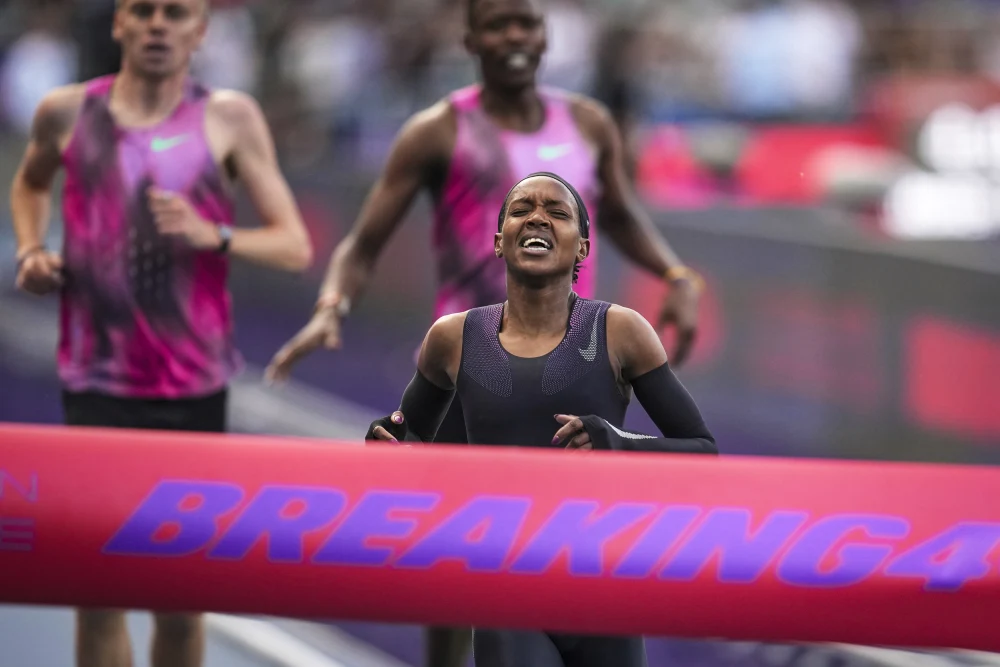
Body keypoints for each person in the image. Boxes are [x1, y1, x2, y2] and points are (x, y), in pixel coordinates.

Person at [8, 1, 313, 666]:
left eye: (175, 13)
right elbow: (29, 183)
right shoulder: (67, 112)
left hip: (190, 390)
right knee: (99, 596)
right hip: (96, 382)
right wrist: (31, 249)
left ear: (200, 31)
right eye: (142, 11)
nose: (157, 25)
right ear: (118, 23)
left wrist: (216, 234)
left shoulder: (229, 117)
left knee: (179, 603)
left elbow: (293, 245)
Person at [367, 172, 717, 667]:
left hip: (604, 589)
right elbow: (409, 438)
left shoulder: (620, 331)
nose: (537, 217)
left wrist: (617, 441)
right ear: (497, 240)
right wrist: (387, 452)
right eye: (521, 209)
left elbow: (704, 452)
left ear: (583, 248)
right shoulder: (453, 338)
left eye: (557, 212)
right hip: (505, 588)